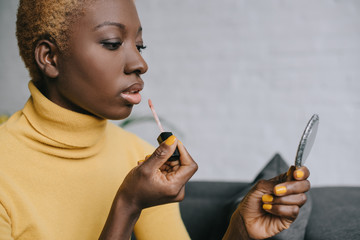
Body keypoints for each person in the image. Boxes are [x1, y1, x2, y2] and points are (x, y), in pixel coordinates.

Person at [0, 0, 310, 239]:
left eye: (140, 45)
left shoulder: (137, 158)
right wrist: (127, 206)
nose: (140, 62)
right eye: (112, 42)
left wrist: (240, 231)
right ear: (50, 58)